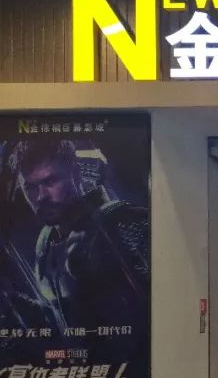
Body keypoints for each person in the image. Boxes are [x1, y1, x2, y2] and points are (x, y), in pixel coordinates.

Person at [8, 138, 149, 334]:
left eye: (50, 181)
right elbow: (63, 314)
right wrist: (18, 305)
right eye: (30, 188)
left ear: (76, 173)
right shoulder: (46, 240)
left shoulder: (120, 222)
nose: (40, 196)